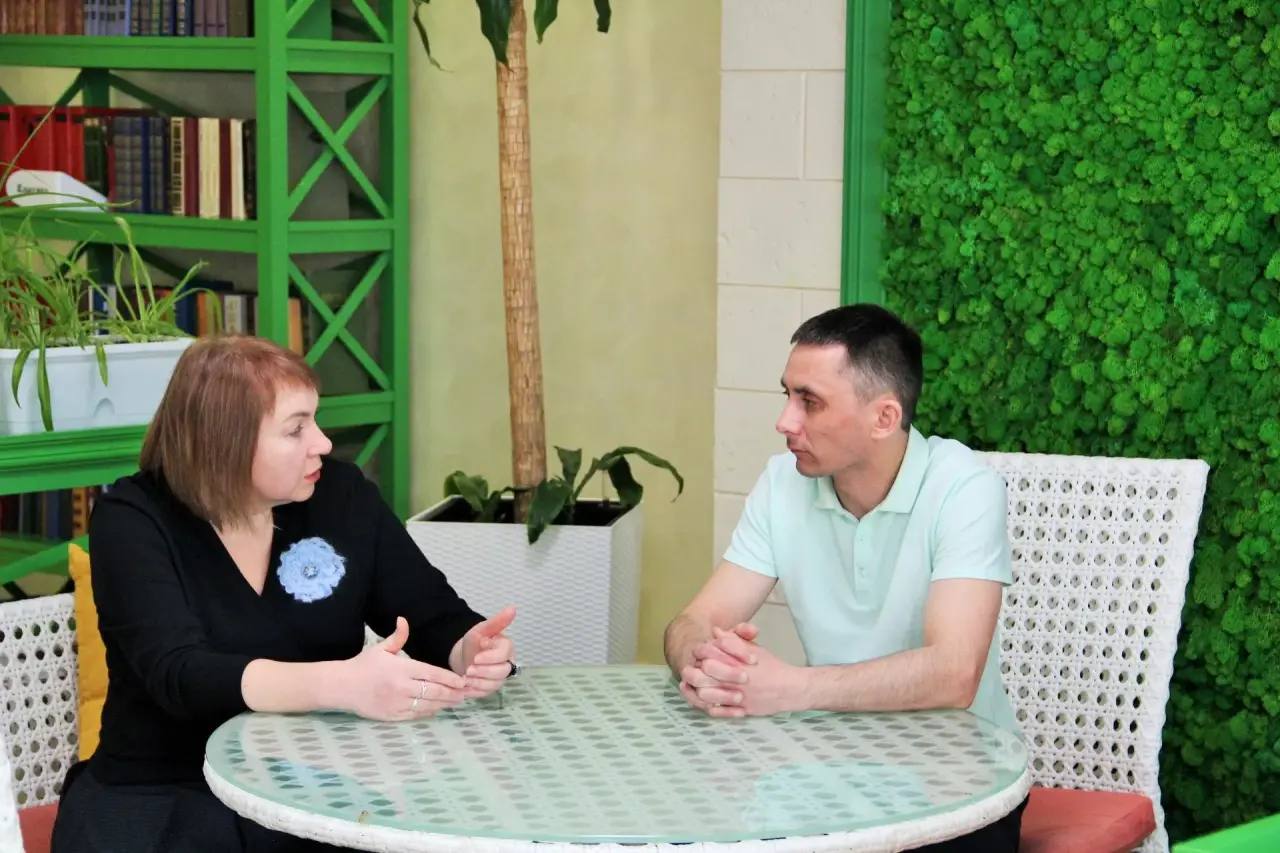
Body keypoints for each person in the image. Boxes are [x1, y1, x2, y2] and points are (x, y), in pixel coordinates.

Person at [52, 335, 518, 853]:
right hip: (163, 798)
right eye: (296, 429)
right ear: (224, 443)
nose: (322, 443)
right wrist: (342, 684)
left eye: (315, 421)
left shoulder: (340, 495)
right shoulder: (134, 519)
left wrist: (469, 649)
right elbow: (179, 674)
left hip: (313, 787)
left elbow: (430, 613)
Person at [664, 304, 1025, 852]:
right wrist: (705, 663)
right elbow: (694, 620)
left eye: (809, 402)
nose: (785, 422)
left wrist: (790, 689)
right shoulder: (782, 484)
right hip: (822, 779)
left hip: (962, 794)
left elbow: (953, 673)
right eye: (787, 395)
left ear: (884, 417)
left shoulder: (964, 488)